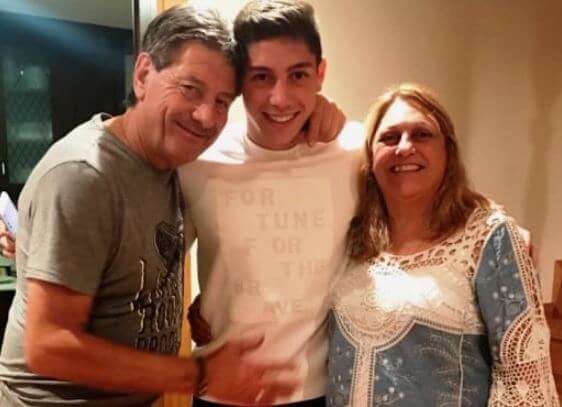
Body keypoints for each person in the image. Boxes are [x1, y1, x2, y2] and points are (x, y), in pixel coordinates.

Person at [0, 5, 295, 406]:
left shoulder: (176, 164)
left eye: (223, 101)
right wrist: (200, 374)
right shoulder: (85, 175)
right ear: (142, 75)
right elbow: (48, 346)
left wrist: (206, 306)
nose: (207, 117)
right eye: (190, 89)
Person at [327, 83, 559, 406]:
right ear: (370, 155)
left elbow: (524, 380)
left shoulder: (488, 238)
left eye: (422, 134)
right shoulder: (350, 236)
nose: (404, 147)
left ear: (448, 152)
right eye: (389, 137)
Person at [179, 0, 360, 405]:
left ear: (320, 74)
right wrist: (207, 302)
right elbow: (155, 260)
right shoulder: (197, 163)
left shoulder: (355, 153)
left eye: (298, 75)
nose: (279, 98)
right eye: (262, 77)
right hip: (220, 393)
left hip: (318, 391)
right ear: (239, 82)